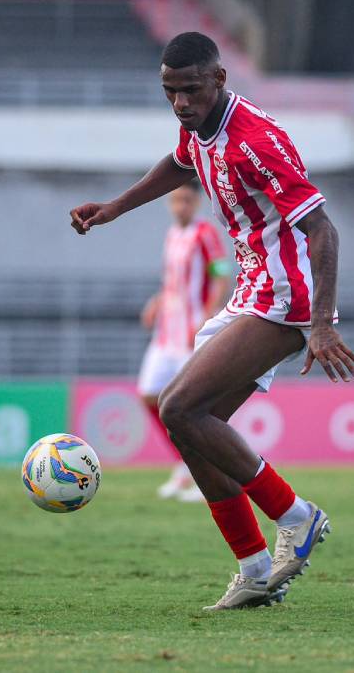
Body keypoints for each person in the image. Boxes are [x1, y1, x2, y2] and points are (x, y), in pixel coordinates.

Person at [69, 32, 354, 610]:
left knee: (178, 406)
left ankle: (297, 518)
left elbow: (324, 229)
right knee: (193, 433)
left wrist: (323, 322)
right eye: (169, 91)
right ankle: (255, 569)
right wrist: (114, 208)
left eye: (191, 90)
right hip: (252, 291)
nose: (179, 102)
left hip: (287, 295)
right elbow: (178, 164)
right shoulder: (198, 125)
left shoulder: (256, 140)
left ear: (220, 79)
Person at [138, 182, 230, 503]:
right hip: (166, 334)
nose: (181, 206)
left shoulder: (205, 233)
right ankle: (184, 464)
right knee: (150, 396)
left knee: (191, 406)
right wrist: (158, 300)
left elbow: (221, 273)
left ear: (197, 202)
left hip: (192, 333)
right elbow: (172, 281)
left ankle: (210, 474)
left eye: (187, 200)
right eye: (176, 200)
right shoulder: (171, 236)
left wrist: (208, 314)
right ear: (168, 202)